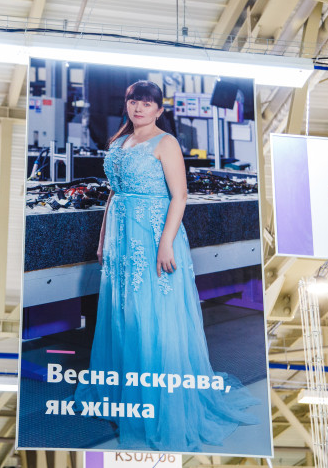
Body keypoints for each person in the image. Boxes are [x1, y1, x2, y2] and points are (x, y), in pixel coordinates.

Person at [74, 80, 259, 452]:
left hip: (154, 233)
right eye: (133, 101)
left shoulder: (166, 142)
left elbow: (180, 195)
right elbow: (114, 193)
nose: (139, 108)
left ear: (159, 109)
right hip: (121, 236)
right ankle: (126, 395)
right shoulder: (119, 142)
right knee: (124, 313)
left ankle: (159, 405)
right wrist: (103, 237)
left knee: (153, 313)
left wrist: (165, 242)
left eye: (147, 103)